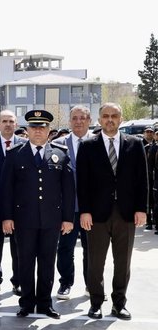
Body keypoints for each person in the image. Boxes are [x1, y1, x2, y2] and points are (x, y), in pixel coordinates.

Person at [77, 103, 148, 320]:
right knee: (96, 261)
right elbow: (83, 183)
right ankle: (96, 303)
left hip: (125, 213)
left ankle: (119, 303)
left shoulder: (135, 145)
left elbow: (141, 181)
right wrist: (84, 211)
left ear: (121, 118)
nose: (110, 119)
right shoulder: (88, 146)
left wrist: (141, 209)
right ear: (99, 120)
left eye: (114, 116)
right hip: (97, 214)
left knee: (123, 261)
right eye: (106, 116)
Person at [1, 110, 74, 319]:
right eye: (34, 127)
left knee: (47, 262)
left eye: (42, 127)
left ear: (49, 130)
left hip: (51, 220)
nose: (38, 131)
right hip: (24, 220)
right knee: (25, 262)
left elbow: (68, 189)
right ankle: (26, 302)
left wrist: (68, 218)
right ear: (27, 130)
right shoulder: (15, 154)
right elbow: (6, 189)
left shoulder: (60, 152)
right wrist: (7, 217)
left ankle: (45, 303)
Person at [50, 105, 94, 300]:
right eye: (75, 118)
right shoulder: (58, 144)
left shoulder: (97, 142)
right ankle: (65, 283)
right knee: (65, 248)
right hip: (66, 208)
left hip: (92, 209)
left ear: (89, 120)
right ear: (69, 121)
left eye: (82, 118)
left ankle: (92, 284)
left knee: (92, 248)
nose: (78, 121)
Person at [0, 110, 26, 296]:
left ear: (16, 124)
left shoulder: (25, 146)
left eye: (11, 121)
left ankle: (18, 281)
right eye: (4, 121)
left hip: (18, 206)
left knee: (18, 246)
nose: (8, 124)